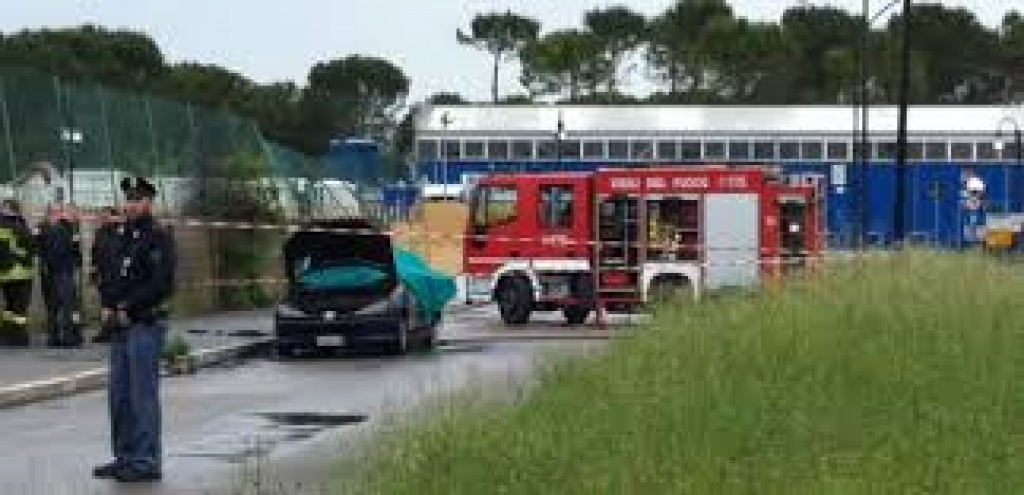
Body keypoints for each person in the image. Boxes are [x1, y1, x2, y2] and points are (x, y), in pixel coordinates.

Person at [93, 177, 176, 483]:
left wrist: (128, 307)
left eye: (137, 199)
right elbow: (112, 275)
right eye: (128, 199)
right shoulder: (123, 235)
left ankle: (146, 461)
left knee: (142, 397)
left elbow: (161, 284)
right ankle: (125, 457)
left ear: (148, 202)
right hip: (121, 326)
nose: (130, 204)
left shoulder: (158, 236)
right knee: (120, 397)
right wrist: (108, 304)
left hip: (144, 324)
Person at [38, 203, 83, 348]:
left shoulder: (65, 229)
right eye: (75, 214)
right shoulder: (61, 230)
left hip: (58, 273)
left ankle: (54, 337)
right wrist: (64, 267)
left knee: (55, 306)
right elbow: (56, 253)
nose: (77, 217)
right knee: (69, 306)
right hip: (62, 272)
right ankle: (69, 337)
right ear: (67, 214)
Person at [0, 199, 35, 346]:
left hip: (5, 273)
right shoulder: (19, 224)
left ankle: (7, 335)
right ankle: (19, 337)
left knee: (9, 306)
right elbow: (30, 246)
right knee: (20, 308)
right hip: (21, 272)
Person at [90, 206, 125, 344]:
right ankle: (106, 330)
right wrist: (93, 270)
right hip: (104, 273)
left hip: (118, 273)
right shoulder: (99, 233)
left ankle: (119, 329)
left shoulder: (121, 231)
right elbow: (94, 252)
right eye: (102, 216)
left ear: (114, 217)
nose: (103, 218)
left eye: (106, 216)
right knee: (105, 303)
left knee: (118, 303)